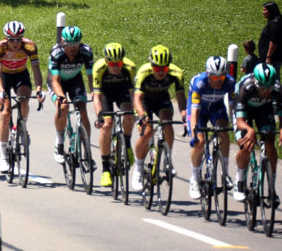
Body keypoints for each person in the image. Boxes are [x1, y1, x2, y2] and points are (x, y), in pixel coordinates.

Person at [130, 45, 188, 192]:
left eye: (165, 68)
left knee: (167, 123)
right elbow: (136, 98)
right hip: (144, 102)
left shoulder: (177, 73)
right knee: (147, 131)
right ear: (152, 65)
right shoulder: (144, 72)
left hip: (162, 99)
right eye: (157, 68)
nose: (161, 72)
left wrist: (184, 115)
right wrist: (142, 115)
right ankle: (138, 168)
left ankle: (168, 159)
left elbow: (181, 97)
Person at [0, 20, 43, 173]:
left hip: (21, 75)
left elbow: (36, 70)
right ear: (6, 38)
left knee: (24, 101)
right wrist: (0, 91)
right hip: (4, 78)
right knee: (5, 113)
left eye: (18, 39)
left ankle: (22, 128)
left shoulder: (29, 47)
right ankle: (2, 157)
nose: (15, 43)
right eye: (11, 39)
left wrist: (39, 89)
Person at [188, 55, 234, 199]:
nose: (218, 82)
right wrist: (194, 134)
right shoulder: (199, 83)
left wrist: (234, 124)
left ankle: (225, 174)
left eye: (221, 78)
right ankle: (194, 179)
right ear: (208, 74)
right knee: (200, 142)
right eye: (214, 78)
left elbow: (234, 106)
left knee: (224, 135)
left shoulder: (230, 82)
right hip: (199, 111)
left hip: (216, 108)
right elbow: (194, 111)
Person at [233, 63, 279, 202]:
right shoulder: (246, 87)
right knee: (245, 144)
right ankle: (240, 182)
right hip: (244, 110)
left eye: (269, 88)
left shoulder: (277, 88)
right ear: (256, 82)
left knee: (270, 142)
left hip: (264, 109)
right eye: (262, 88)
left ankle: (272, 189)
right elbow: (240, 120)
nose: (266, 91)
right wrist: (250, 129)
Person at [92, 42, 136, 189]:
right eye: (112, 63)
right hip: (105, 94)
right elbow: (96, 97)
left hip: (121, 91)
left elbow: (132, 94)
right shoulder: (99, 68)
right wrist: (99, 115)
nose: (116, 67)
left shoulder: (129, 67)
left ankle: (127, 145)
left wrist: (136, 111)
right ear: (106, 61)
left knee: (129, 115)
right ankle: (105, 170)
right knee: (107, 124)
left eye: (118, 63)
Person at [48, 26, 94, 164]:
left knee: (83, 110)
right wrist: (61, 96)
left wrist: (93, 92)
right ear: (63, 42)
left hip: (75, 80)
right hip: (58, 81)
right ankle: (60, 142)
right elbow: (55, 81)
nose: (73, 48)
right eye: (69, 45)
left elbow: (90, 75)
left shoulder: (86, 52)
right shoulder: (56, 53)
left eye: (76, 44)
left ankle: (87, 151)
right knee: (62, 107)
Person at [260, 2, 282, 70]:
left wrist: (268, 57)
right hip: (274, 58)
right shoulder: (277, 21)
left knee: (272, 78)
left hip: (272, 59)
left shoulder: (275, 24)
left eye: (265, 10)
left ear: (271, 11)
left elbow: (273, 42)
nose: (263, 12)